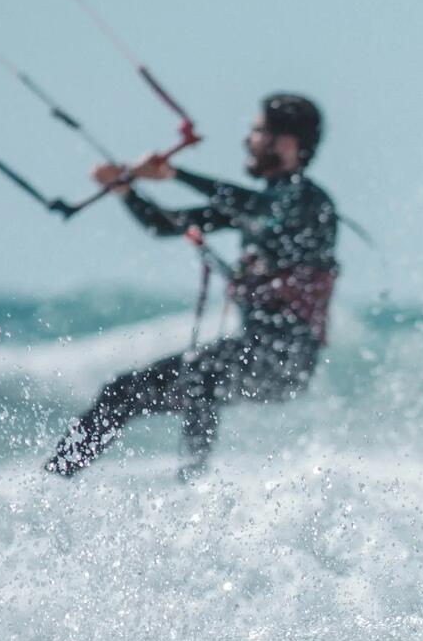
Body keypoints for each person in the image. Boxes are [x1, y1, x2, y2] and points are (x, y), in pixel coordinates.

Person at [45, 93, 338, 480]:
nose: (246, 140)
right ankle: (53, 479)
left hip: (287, 358)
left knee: (201, 372)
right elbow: (164, 224)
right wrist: (126, 191)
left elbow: (258, 209)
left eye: (255, 131)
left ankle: (192, 489)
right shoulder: (257, 205)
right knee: (120, 392)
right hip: (253, 351)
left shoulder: (309, 202)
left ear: (284, 143)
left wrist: (176, 175)